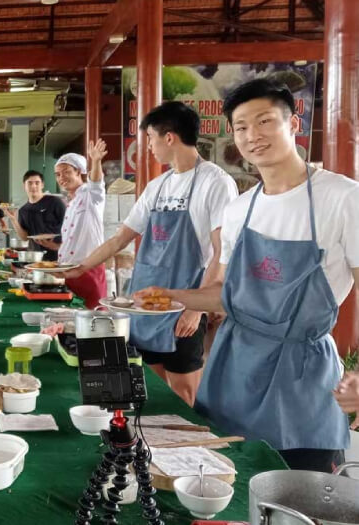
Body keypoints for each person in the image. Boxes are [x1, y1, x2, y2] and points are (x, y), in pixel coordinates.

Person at [136, 79, 359, 472]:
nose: (252, 135)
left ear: (293, 124)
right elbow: (226, 294)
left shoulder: (342, 198)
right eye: (241, 127)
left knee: (297, 500)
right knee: (222, 489)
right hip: (233, 368)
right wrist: (170, 295)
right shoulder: (240, 209)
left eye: (264, 121)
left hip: (300, 378)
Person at [65, 103, 237, 406]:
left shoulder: (215, 182)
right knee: (151, 386)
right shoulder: (158, 186)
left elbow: (221, 253)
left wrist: (195, 309)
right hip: (145, 304)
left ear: (169, 137)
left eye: (151, 139)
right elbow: (120, 238)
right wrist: (80, 267)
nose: (149, 148)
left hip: (182, 305)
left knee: (183, 392)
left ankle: (187, 450)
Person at [52, 141, 108, 307]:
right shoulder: (71, 202)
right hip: (68, 272)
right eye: (58, 174)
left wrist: (96, 161)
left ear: (79, 172)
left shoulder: (91, 195)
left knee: (93, 321)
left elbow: (96, 183)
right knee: (72, 321)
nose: (62, 178)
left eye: (66, 172)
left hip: (89, 270)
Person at [1, 169, 66, 260]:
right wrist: (13, 219)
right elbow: (25, 237)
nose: (33, 186)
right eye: (30, 183)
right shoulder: (23, 210)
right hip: (35, 257)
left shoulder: (55, 202)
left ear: (42, 185)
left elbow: (70, 227)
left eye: (37, 183)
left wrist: (58, 245)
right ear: (24, 185)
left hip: (58, 255)